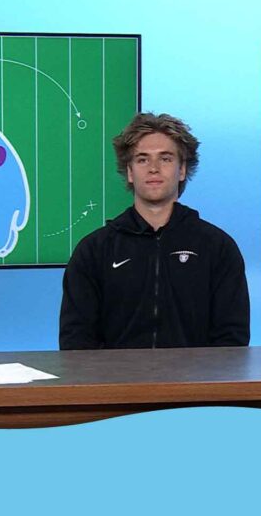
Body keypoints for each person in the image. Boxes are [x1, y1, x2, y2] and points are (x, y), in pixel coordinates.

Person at [60, 113, 249, 349]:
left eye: (165, 158)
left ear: (182, 170)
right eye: (142, 159)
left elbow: (232, 341)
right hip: (114, 375)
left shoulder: (217, 247)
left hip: (196, 375)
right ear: (130, 172)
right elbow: (76, 342)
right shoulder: (94, 251)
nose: (153, 168)